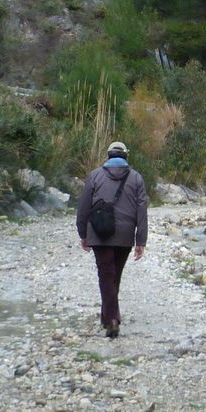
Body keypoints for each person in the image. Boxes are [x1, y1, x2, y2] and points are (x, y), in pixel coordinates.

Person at [75, 141, 148, 338]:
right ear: (126, 156)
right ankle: (108, 315)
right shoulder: (136, 178)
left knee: (106, 275)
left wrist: (83, 233)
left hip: (99, 232)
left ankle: (111, 318)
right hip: (124, 235)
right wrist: (141, 241)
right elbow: (142, 211)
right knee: (114, 275)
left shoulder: (95, 175)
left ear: (108, 155)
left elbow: (83, 207)